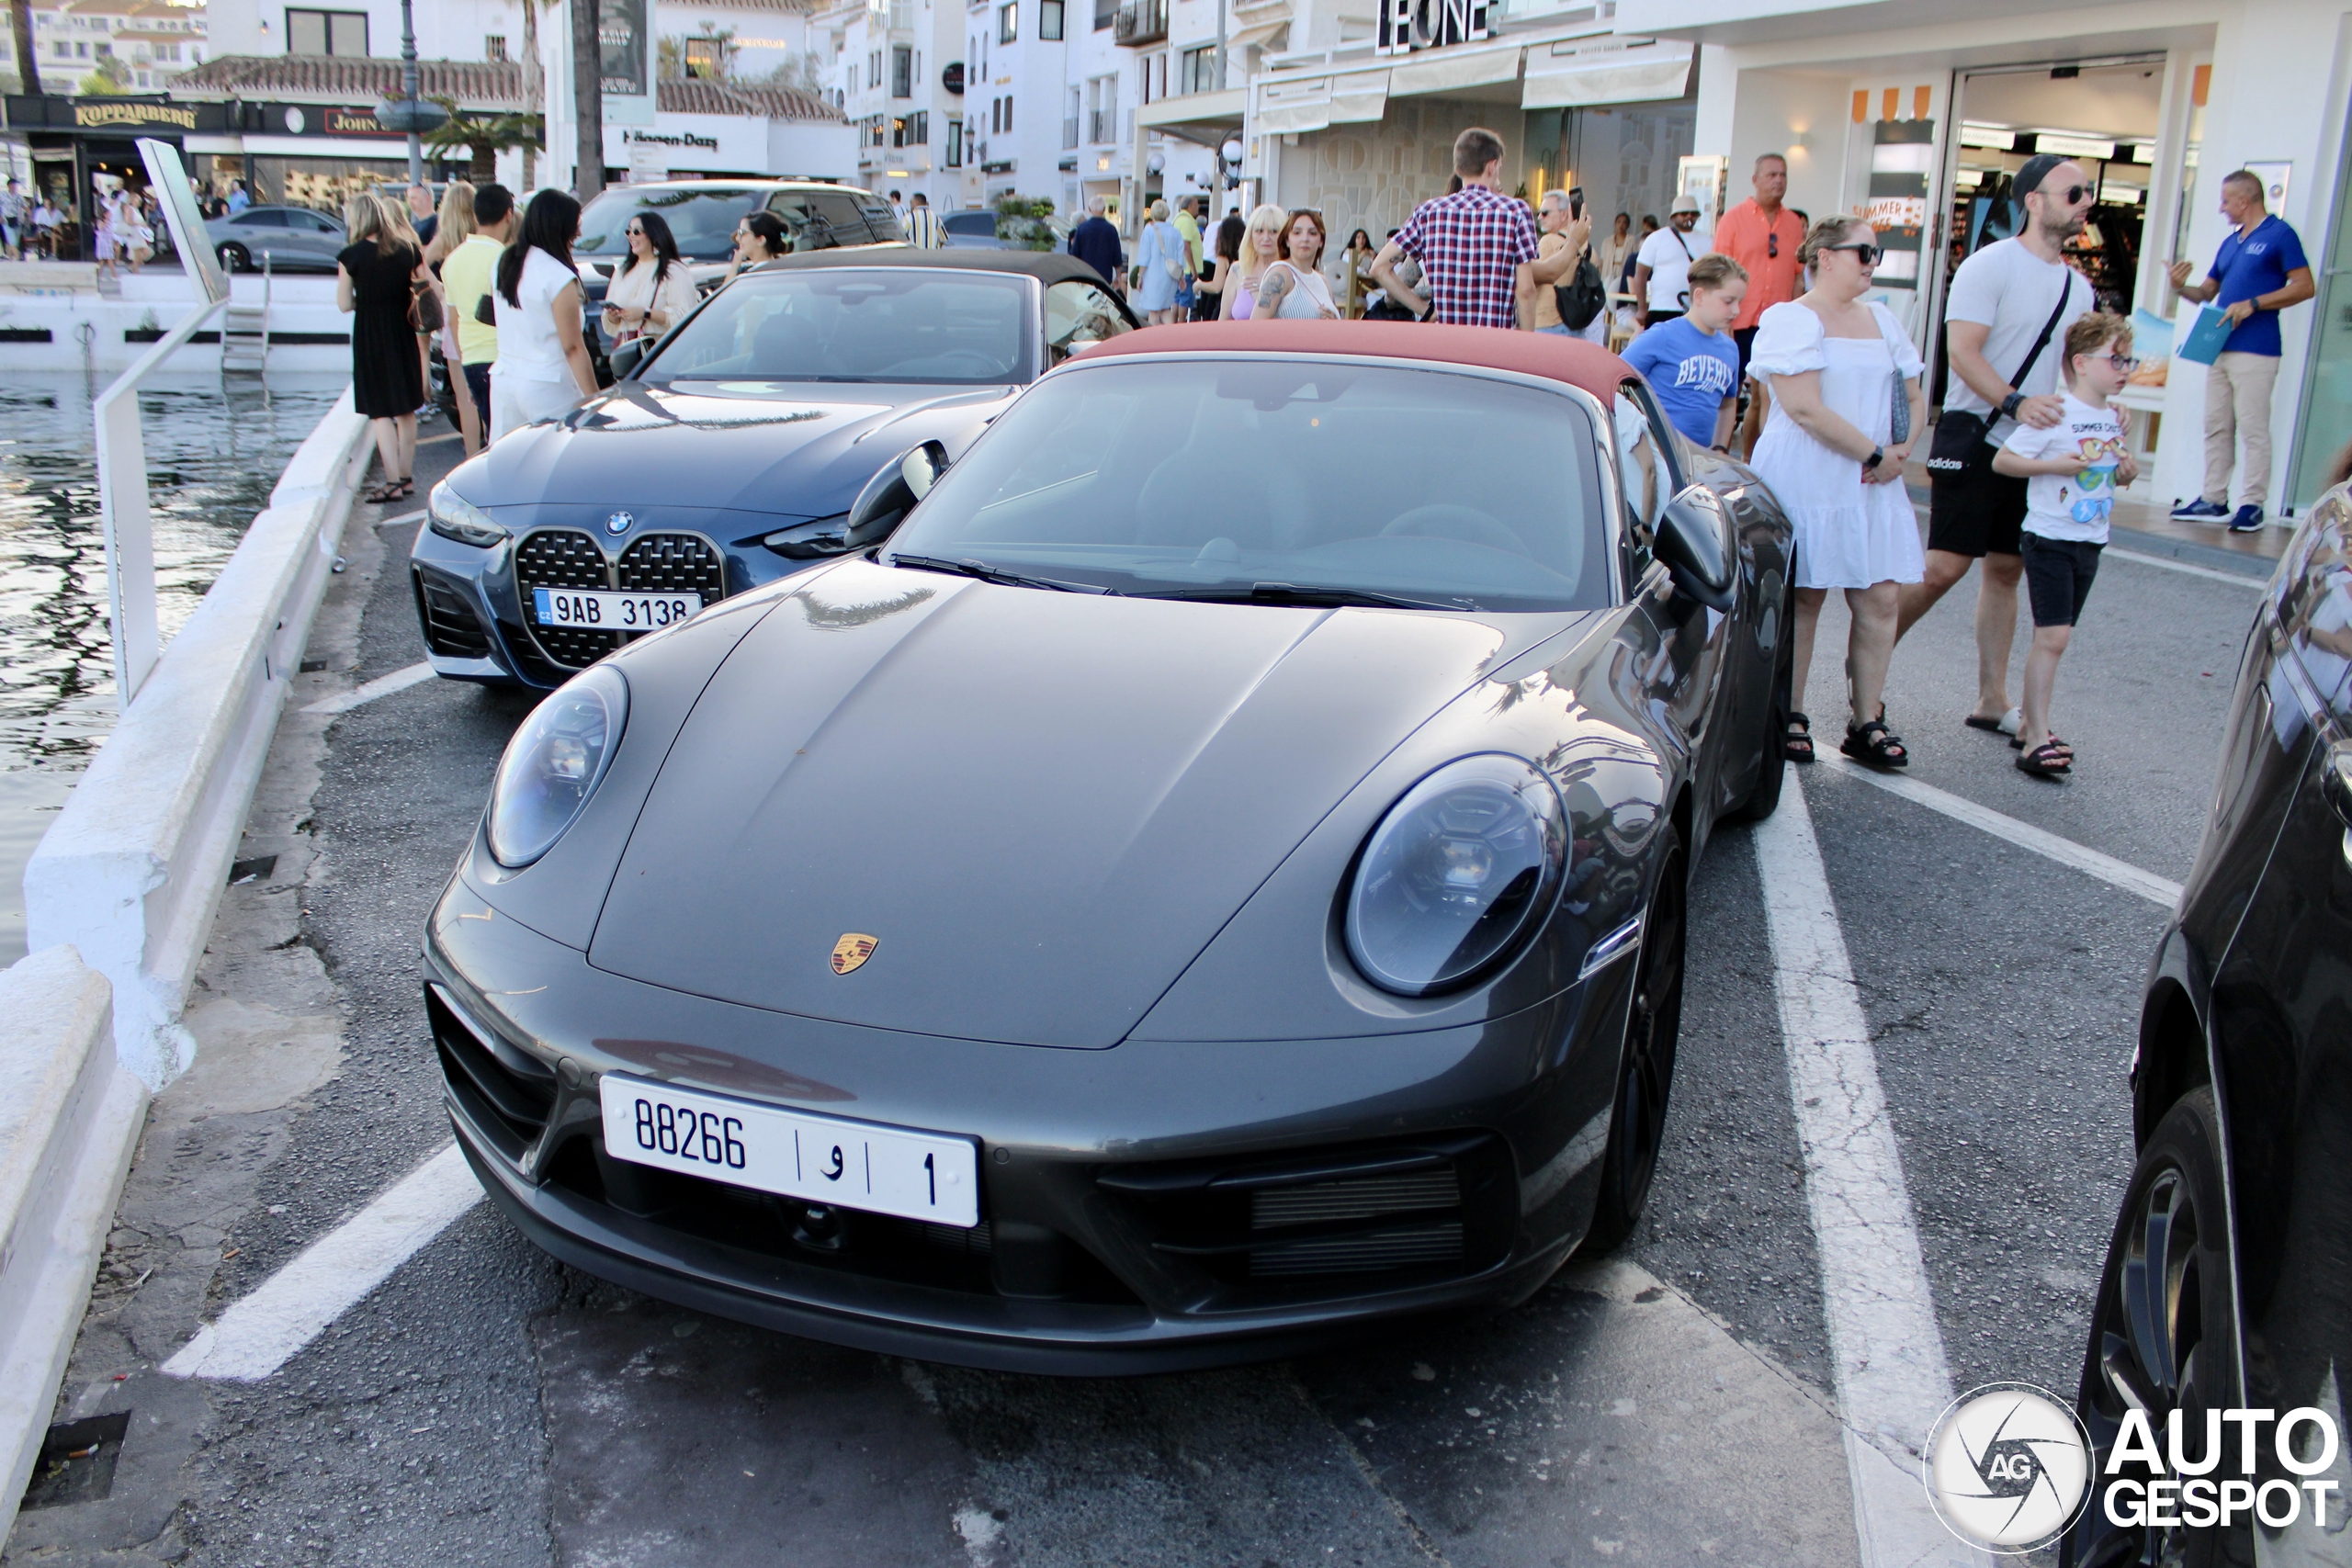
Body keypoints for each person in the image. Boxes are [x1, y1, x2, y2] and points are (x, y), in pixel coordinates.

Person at [1897, 152, 2094, 737]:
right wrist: (2013, 402)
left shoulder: (2077, 288)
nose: (2085, 202)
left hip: (2032, 440)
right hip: (1977, 428)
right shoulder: (1989, 267)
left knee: (2007, 568)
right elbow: (1963, 352)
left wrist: (2097, 417)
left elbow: (2073, 369)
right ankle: (1868, 675)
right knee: (1943, 566)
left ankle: (1991, 697)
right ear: (2034, 201)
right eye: (2073, 192)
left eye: (2087, 193)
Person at [1746, 216, 1927, 770]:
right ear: (1825, 255)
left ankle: (1866, 717)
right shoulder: (1790, 318)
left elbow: (1914, 395)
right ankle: (1791, 711)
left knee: (1880, 596)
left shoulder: (1883, 320)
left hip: (1873, 478)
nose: (1873, 263)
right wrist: (1873, 454)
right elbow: (1802, 406)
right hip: (1813, 471)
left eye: (1877, 254)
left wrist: (1899, 453)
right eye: (1864, 252)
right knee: (1806, 594)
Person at [1993, 311, 2139, 776]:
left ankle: (2030, 726)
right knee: (2052, 637)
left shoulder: (2113, 419)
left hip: (2090, 537)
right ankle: (2036, 736)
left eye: (2128, 361)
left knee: (2058, 638)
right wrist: (2053, 466)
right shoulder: (2055, 412)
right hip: (2051, 536)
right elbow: (2004, 461)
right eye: (2115, 359)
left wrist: (2127, 471)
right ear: (2080, 361)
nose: (2124, 369)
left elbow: (2110, 473)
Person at [2166, 168, 2316, 532]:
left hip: (2257, 349)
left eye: (2225, 200)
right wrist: (2178, 287)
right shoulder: (2231, 243)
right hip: (2219, 347)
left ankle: (2252, 504)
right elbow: (2205, 293)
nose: (2221, 208)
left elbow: (2305, 286)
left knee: (2252, 427)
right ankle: (2214, 499)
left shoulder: (2280, 234)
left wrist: (2255, 302)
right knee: (2216, 424)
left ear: (2244, 200)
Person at [1369, 127, 1572, 330]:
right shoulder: (1516, 212)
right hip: (1495, 341)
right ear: (1492, 166)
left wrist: (1425, 310)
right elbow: (1526, 290)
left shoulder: (1429, 212)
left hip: (1448, 341)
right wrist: (1525, 342)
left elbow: (1379, 268)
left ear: (1458, 169)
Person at [336, 191, 430, 503]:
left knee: (380, 412)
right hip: (403, 333)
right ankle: (405, 477)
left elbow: (343, 304)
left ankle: (390, 481)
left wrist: (364, 297)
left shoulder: (351, 256)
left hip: (370, 335)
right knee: (406, 408)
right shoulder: (408, 251)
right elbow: (424, 288)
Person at [1711, 152, 1805, 456]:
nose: (1778, 180)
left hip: (1776, 324)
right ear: (1755, 180)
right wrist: (1722, 324)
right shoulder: (1734, 219)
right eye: (1771, 175)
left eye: (1783, 175)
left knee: (1766, 397)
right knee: (1729, 394)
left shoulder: (1793, 223)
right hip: (1738, 323)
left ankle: (1754, 460)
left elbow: (1799, 277)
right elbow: (1719, 273)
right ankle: (1717, 454)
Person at [490, 188, 598, 443]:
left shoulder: (503, 262)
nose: (579, 233)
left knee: (506, 466)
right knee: (555, 466)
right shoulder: (557, 275)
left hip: (505, 378)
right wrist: (595, 401)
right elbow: (572, 347)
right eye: (575, 226)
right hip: (548, 384)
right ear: (558, 226)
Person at [1622, 254, 1747, 448]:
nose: (1737, 310)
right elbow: (1617, 376)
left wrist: (1720, 448)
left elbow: (1728, 404)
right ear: (1699, 296)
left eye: (1740, 302)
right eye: (1728, 301)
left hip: (1700, 457)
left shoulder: (1730, 349)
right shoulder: (1662, 335)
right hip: (1657, 451)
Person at [441, 182, 511, 457]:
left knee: (490, 438)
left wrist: (465, 361)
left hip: (471, 359)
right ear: (508, 214)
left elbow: (453, 319)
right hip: (503, 358)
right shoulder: (503, 258)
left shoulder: (452, 260)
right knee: (509, 442)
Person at [424, 180, 481, 454]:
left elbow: (420, 261)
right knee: (486, 394)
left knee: (464, 398)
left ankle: (472, 458)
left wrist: (440, 288)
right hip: (482, 317)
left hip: (454, 315)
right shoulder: (480, 234)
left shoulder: (444, 237)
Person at [603, 208, 695, 349]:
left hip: (662, 351)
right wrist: (613, 316)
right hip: (628, 351)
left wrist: (645, 313)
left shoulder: (673, 270)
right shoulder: (623, 270)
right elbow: (608, 321)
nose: (631, 236)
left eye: (637, 232)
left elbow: (685, 316)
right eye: (628, 231)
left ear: (653, 235)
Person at [1531, 191, 1599, 340]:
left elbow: (1533, 282)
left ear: (1564, 215)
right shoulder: (1589, 248)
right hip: (1576, 323)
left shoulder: (1548, 241)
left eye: (1545, 213)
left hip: (1547, 321)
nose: (1540, 217)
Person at [1250, 209, 1340, 320]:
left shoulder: (1324, 282)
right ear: (1287, 240)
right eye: (1297, 232)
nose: (1305, 239)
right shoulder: (1281, 274)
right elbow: (1256, 325)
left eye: (1312, 233)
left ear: (1321, 241)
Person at [1633, 192, 1701, 329]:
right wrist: (1642, 308)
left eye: (1693, 213)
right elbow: (1641, 274)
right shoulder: (1656, 238)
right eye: (1684, 213)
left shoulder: (1708, 240)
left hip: (1694, 310)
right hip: (1661, 308)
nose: (1689, 216)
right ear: (1674, 217)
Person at [1220, 203, 1286, 320]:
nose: (1266, 238)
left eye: (1274, 231)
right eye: (1259, 231)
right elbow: (1223, 320)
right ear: (1250, 236)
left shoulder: (1291, 272)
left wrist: (1267, 291)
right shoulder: (1238, 270)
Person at [1133, 198, 1187, 325]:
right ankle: (1171, 335)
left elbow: (1144, 256)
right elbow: (1180, 256)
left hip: (1153, 275)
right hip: (1170, 275)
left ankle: (1154, 339)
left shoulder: (1149, 231)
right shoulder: (1175, 232)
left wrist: (1140, 276)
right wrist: (1181, 276)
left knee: (1154, 311)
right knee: (1165, 308)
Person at [1193, 213, 1243, 321]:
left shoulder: (1224, 258)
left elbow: (1216, 286)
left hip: (1227, 303)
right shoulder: (1246, 256)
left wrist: (1199, 285)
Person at [718, 209, 789, 284]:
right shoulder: (777, 269)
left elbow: (729, 294)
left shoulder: (761, 275)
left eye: (742, 233)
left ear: (760, 240)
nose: (737, 238)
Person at [1069, 195, 1123, 290]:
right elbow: (1117, 257)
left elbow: (1074, 255)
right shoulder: (1111, 229)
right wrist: (1118, 276)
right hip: (1104, 278)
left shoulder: (1082, 228)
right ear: (1104, 209)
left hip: (1085, 277)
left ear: (1089, 209)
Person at [1340, 227, 1376, 318]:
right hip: (1349, 284)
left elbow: (1373, 269)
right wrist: (1361, 256)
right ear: (1354, 239)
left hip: (1366, 283)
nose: (1361, 240)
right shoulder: (1348, 252)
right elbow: (1351, 267)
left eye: (1363, 238)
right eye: (1358, 237)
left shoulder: (1369, 252)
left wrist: (1373, 257)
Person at [1173, 196, 1204, 281]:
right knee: (1186, 294)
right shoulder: (1186, 221)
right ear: (1190, 205)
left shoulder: (1179, 219)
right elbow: (1186, 246)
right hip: (1187, 271)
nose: (1198, 207)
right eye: (1197, 204)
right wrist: (1193, 269)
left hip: (1182, 269)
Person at [406, 182, 438, 249]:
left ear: (428, 198)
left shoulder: (436, 222)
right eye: (409, 198)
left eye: (414, 198)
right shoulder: (413, 226)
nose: (410, 202)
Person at [1, 179, 24, 261]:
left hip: (17, 220)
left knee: (15, 241)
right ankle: (18, 256)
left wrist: (30, 216)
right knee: (11, 239)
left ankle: (10, 257)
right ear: (10, 185)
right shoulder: (2, 195)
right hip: (6, 219)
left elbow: (24, 206)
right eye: (14, 185)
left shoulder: (19, 197)